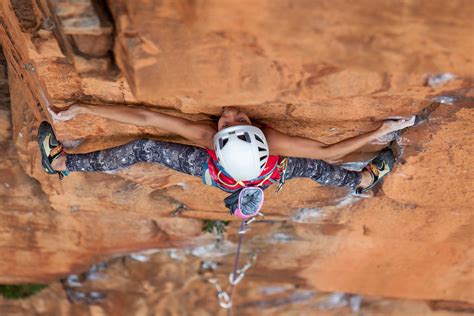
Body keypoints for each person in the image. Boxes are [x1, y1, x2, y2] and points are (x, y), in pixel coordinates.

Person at [38, 105, 414, 218]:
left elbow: (330, 154)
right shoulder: (232, 141)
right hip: (248, 173)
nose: (232, 113)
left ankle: (62, 164)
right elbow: (148, 120)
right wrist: (83, 107)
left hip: (227, 176)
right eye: (234, 122)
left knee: (317, 170)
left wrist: (378, 132)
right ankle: (362, 180)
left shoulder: (223, 143)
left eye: (234, 122)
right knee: (316, 170)